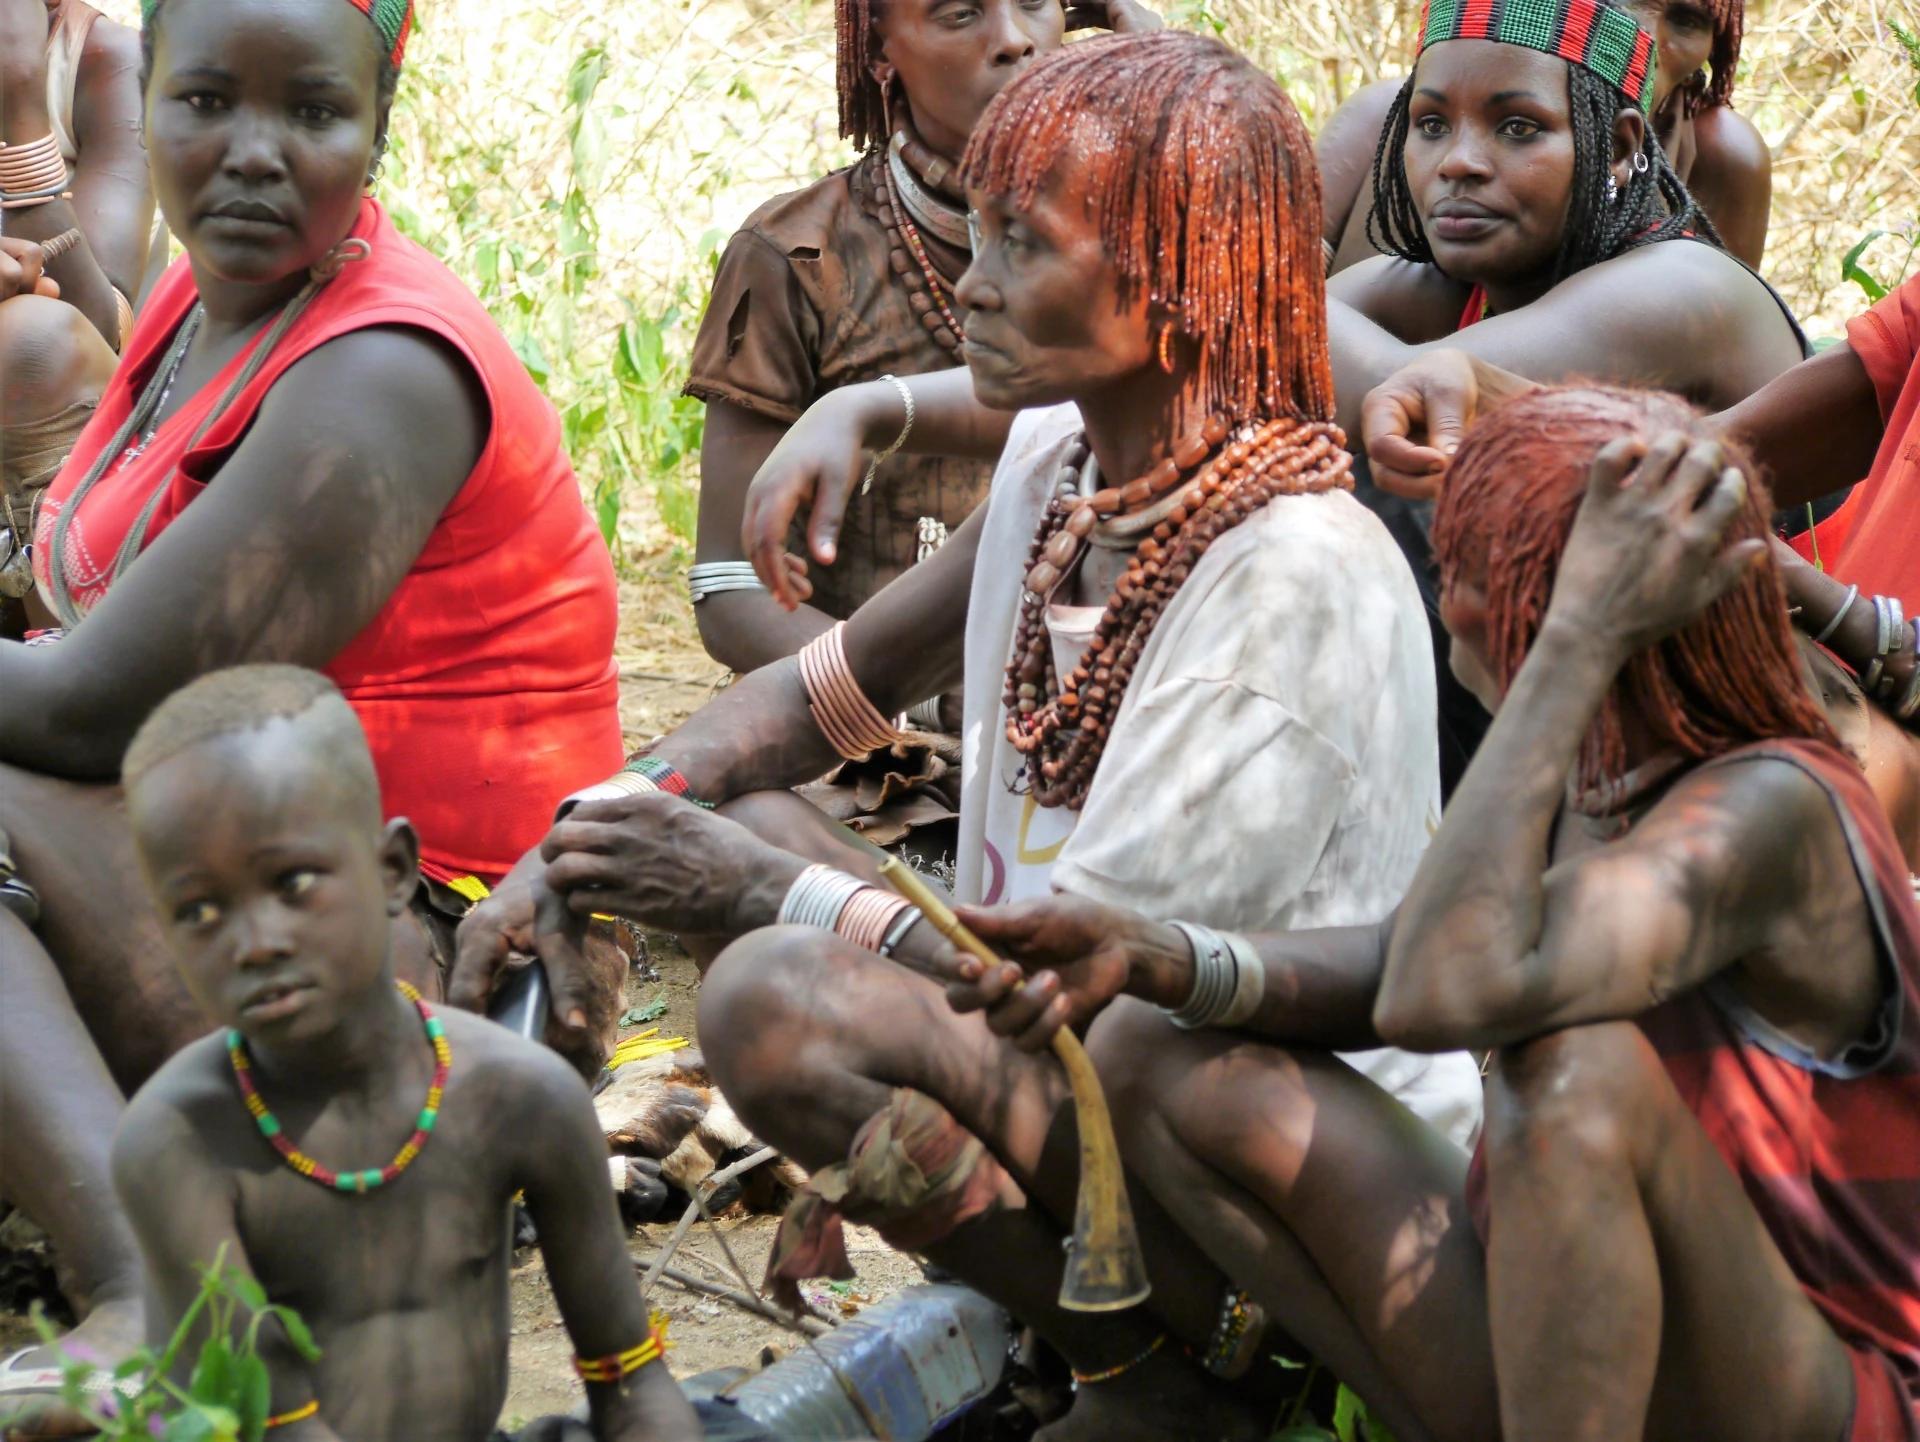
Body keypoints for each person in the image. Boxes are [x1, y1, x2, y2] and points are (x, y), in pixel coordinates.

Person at [459, 31, 1480, 1441]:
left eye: (1021, 243)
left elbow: (1093, 990)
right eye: (978, 229)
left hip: (1260, 1198)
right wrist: (578, 841)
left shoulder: (1290, 573)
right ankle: (1113, 1353)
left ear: (1175, 287)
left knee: (777, 994)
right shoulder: (1067, 463)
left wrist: (763, 892)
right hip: (1080, 1056)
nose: (972, 283)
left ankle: (1179, 1378)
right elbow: (818, 695)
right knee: (736, 812)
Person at [937, 386, 1920, 1440]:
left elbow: (1442, 985)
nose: (1445, 596)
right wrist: (1158, 955)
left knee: (1569, 1073)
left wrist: (1574, 639)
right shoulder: (1597, 772)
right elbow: (1408, 956)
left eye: (1472, 572)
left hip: (1822, 1393)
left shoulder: (1773, 803)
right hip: (1618, 1352)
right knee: (1152, 1047)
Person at [0, 0, 626, 1424]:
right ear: (147, 99)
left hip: (418, 943)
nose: (253, 153)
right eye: (208, 100)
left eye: (314, 112)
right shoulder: (207, 303)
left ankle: (153, 1283)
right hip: (241, 857)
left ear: (378, 127)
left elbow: (91, 710)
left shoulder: (383, 368)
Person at [107, 667, 698, 1442]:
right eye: (199, 911)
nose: (254, 942)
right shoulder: (180, 1141)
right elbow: (279, 1429)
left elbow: (629, 1380)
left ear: (391, 870)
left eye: (293, 883)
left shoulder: (519, 1094)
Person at [684, 0, 1158, 675]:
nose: (1014, 41)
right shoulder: (797, 255)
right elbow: (732, 592)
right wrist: (918, 706)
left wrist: (1158, 96)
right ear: (881, 51)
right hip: (867, 717)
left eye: (1035, 1)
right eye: (961, 14)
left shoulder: (1140, 233)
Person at [1318, 0, 1769, 273]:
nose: (1648, 34)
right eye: (1432, 126)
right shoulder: (1382, 112)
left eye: (1687, 20)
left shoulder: (1724, 153)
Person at [1, 0, 158, 624]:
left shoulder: (106, 62)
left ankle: (64, 646)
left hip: (53, 443)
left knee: (36, 339)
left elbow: (97, 325)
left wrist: (19, 91)